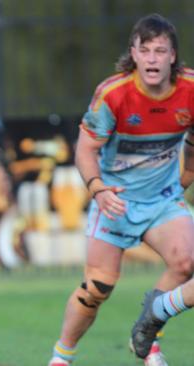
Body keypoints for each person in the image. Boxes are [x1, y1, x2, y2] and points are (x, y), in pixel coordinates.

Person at [47, 14, 194, 366]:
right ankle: (61, 357)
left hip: (161, 201)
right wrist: (98, 190)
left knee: (186, 262)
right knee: (97, 288)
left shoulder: (189, 90)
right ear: (134, 54)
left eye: (161, 51)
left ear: (173, 56)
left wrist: (185, 176)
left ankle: (152, 326)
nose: (153, 58)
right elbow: (85, 149)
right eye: (146, 50)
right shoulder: (114, 94)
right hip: (115, 200)